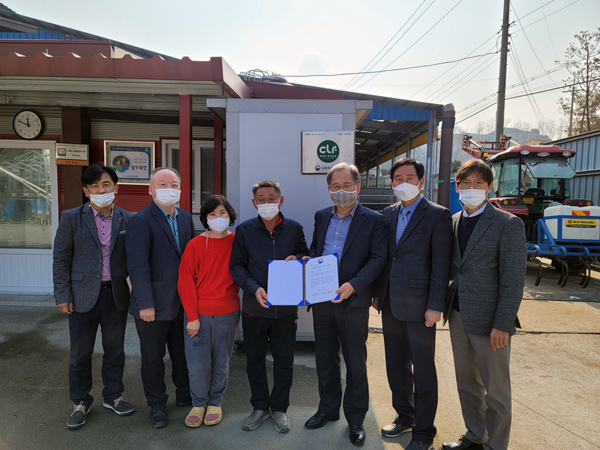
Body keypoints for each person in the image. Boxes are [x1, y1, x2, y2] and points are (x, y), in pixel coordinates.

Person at [442, 159, 526, 450]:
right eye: (465, 184)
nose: (472, 189)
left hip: (491, 321)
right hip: (457, 314)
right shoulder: (452, 221)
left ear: (489, 187)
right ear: (457, 187)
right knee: (467, 382)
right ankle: (475, 434)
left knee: (497, 391)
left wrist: (503, 323)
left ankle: (496, 445)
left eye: (478, 183)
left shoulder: (507, 223)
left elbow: (514, 279)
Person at [304, 162, 387, 447]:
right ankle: (328, 409)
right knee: (325, 359)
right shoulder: (321, 216)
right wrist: (308, 262)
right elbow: (317, 249)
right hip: (323, 300)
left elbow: (378, 258)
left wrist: (354, 285)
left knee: (355, 362)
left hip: (353, 301)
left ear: (357, 187)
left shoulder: (374, 219)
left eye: (347, 185)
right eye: (336, 186)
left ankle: (355, 419)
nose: (342, 191)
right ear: (329, 191)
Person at [375, 158, 452, 450]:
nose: (403, 182)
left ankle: (424, 431)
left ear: (421, 181)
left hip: (421, 307)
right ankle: (404, 416)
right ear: (391, 182)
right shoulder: (387, 213)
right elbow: (384, 257)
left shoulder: (437, 215)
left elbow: (441, 265)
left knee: (423, 369)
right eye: (397, 178)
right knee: (395, 365)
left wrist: (435, 305)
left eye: (409, 177)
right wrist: (375, 293)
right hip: (391, 302)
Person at [53, 164, 134, 429]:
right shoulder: (71, 218)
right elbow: (61, 258)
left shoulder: (128, 219)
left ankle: (113, 396)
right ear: (87, 191)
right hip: (81, 296)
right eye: (95, 186)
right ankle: (80, 402)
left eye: (106, 185)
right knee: (80, 353)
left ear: (116, 188)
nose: (101, 190)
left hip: (116, 296)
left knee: (115, 350)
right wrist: (62, 294)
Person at [229, 181, 309, 434]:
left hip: (286, 310)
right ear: (254, 203)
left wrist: (299, 259)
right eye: (261, 199)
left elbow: (305, 254)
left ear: (280, 200)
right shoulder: (244, 230)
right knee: (254, 360)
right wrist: (254, 288)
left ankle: (279, 408)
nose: (266, 203)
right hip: (254, 307)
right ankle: (260, 406)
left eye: (271, 197)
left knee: (284, 360)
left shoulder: (294, 229)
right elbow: (237, 266)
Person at [126, 167, 195, 429]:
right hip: (152, 305)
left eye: (174, 183)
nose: (170, 187)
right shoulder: (141, 220)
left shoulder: (186, 218)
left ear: (180, 188)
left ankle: (185, 394)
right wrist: (145, 302)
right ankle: (156, 404)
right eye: (163, 183)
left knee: (181, 353)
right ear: (151, 190)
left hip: (182, 301)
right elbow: (137, 265)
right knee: (153, 357)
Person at [177, 195, 240, 428]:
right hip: (199, 314)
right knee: (197, 362)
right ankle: (198, 402)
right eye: (212, 214)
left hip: (228, 311)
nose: (217, 218)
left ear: (230, 215)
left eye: (222, 213)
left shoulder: (237, 241)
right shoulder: (195, 244)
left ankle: (215, 401)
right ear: (205, 218)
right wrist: (192, 317)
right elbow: (185, 282)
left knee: (221, 359)